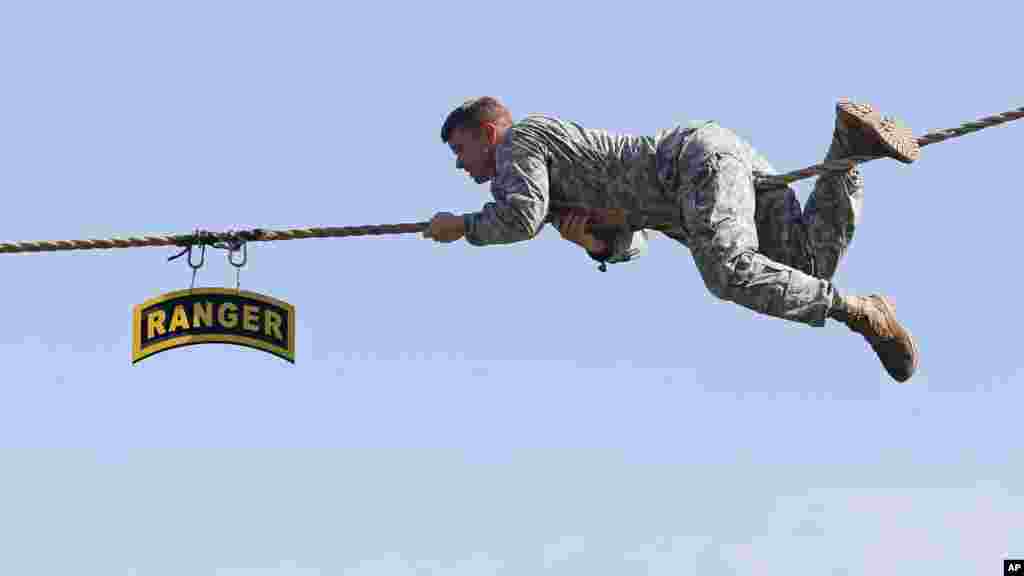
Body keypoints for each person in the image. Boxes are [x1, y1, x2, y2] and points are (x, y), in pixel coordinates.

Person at [425, 96, 919, 382]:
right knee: (803, 269)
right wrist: (597, 246)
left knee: (729, 273)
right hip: (707, 167)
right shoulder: (550, 192)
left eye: (460, 148)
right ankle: (847, 149)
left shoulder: (521, 142)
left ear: (489, 134)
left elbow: (518, 218)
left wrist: (463, 228)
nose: (458, 164)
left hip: (692, 167)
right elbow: (635, 243)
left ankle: (858, 311)